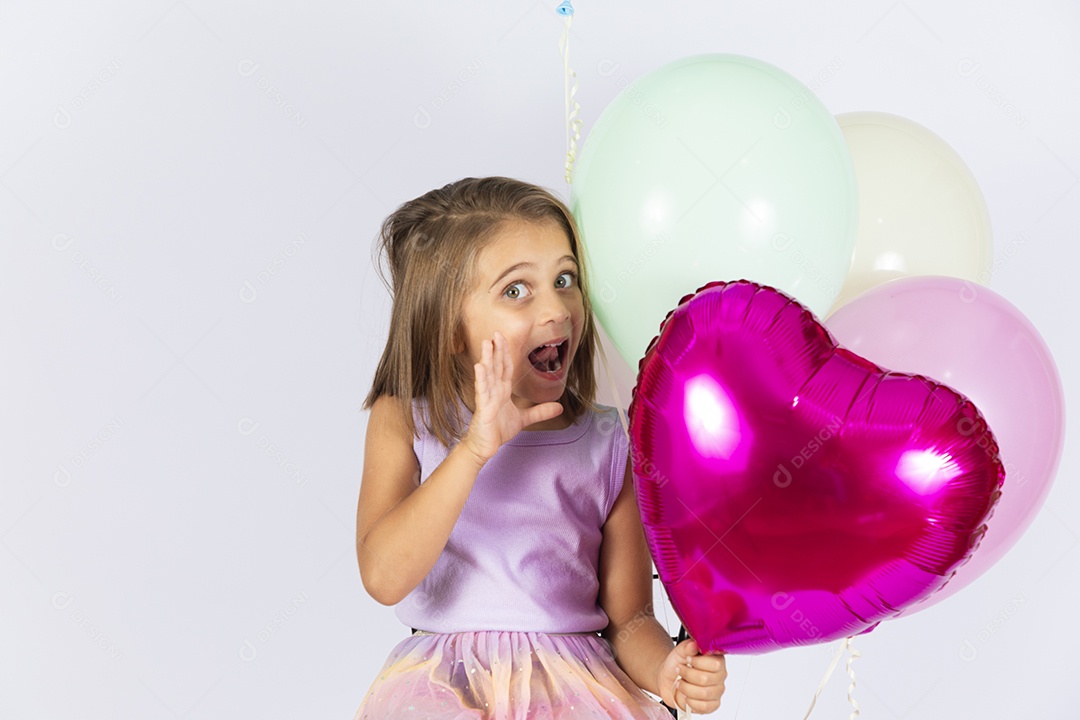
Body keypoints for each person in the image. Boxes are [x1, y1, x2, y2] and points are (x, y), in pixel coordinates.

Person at [353, 176, 727, 719]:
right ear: (450, 329)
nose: (557, 308)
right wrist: (475, 448)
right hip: (445, 693)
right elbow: (384, 577)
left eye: (565, 278)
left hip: (574, 693)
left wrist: (667, 670)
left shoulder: (608, 441)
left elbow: (629, 621)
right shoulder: (406, 418)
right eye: (516, 290)